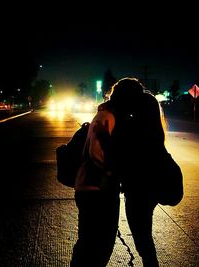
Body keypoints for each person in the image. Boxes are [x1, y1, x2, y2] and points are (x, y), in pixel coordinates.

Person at [102, 77, 165, 267]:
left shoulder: (129, 122)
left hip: (138, 186)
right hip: (152, 180)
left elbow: (117, 149)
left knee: (142, 238)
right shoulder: (148, 111)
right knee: (144, 235)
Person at [70, 88, 121, 266]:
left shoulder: (105, 115)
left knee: (88, 244)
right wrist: (110, 173)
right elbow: (96, 153)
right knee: (96, 246)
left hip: (89, 188)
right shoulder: (107, 117)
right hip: (96, 189)